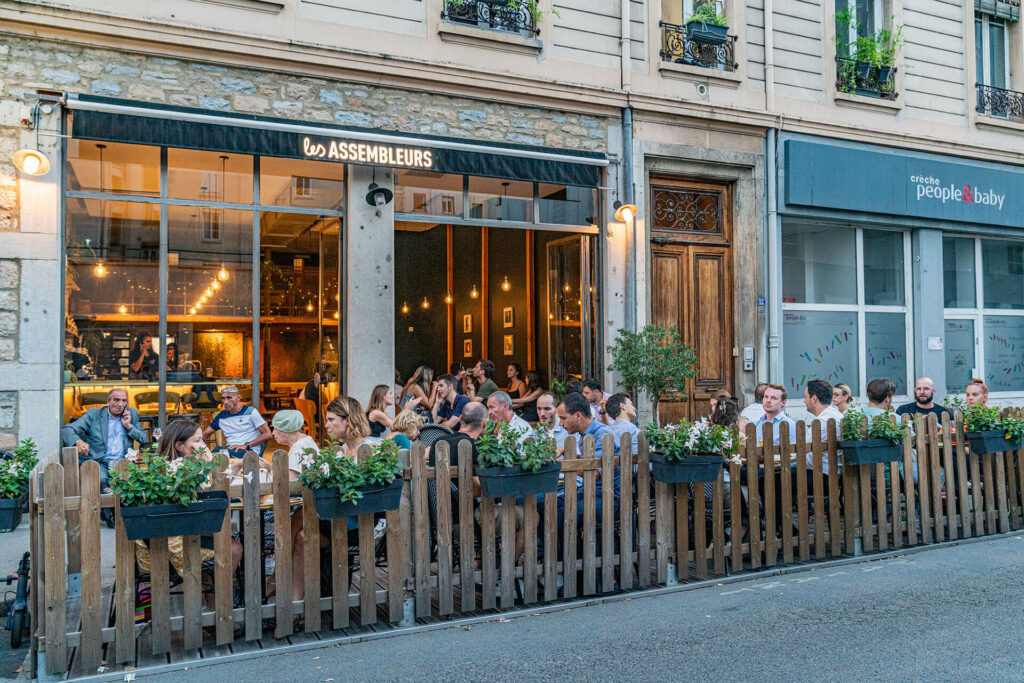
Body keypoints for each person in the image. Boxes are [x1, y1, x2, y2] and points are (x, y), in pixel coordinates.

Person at [61, 388, 149, 515]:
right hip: (99, 460)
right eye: (116, 400)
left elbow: (143, 438)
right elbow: (67, 430)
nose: (120, 404)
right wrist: (78, 442)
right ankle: (109, 515)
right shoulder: (93, 415)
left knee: (130, 482)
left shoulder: (132, 415)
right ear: (108, 401)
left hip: (122, 462)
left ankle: (119, 512)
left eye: (124, 401)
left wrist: (129, 426)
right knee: (101, 479)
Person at [203, 386, 272, 458]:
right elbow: (205, 434)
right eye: (223, 398)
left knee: (218, 455)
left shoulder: (250, 412)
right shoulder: (221, 416)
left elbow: (267, 434)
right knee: (216, 451)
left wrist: (246, 445)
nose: (226, 402)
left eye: (229, 398)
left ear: (238, 397)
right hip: (230, 450)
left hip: (249, 451)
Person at [802, 379, 844, 478]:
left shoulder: (822, 422)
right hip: (834, 474)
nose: (804, 401)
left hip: (820, 476)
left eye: (806, 397)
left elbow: (804, 453)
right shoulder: (836, 416)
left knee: (767, 480)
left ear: (814, 399)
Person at [430, 402, 487, 468]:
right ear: (484, 423)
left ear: (460, 419)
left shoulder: (437, 441)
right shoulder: (474, 446)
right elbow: (478, 478)